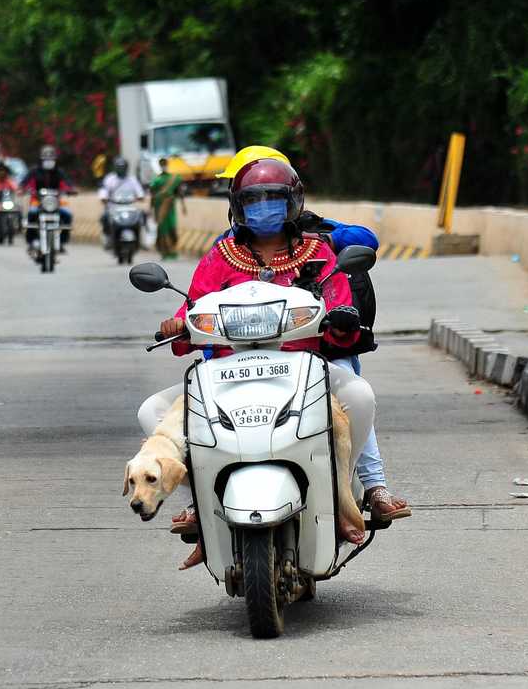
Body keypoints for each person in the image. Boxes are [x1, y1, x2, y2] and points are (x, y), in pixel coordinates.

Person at [138, 158, 408, 571]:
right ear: (237, 207)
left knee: (358, 392)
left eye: (273, 200)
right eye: (252, 201)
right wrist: (179, 324)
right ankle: (202, 499)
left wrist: (342, 318)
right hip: (226, 372)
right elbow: (194, 304)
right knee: (152, 411)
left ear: (293, 203)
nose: (263, 209)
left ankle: (342, 489)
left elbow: (339, 304)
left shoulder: (318, 252)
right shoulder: (221, 256)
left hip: (299, 367)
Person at [21, 145, 75, 253]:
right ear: (41, 159)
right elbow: (24, 183)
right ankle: (32, 241)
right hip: (37, 200)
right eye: (46, 159)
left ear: (55, 160)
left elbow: (67, 183)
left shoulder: (59, 171)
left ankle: (62, 241)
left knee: (68, 215)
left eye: (51, 159)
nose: (49, 161)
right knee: (31, 215)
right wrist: (22, 189)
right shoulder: (34, 171)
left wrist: (70, 189)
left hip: (56, 201)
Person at [149, 157, 186, 260]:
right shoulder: (156, 180)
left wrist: (183, 206)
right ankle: (164, 252)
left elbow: (180, 193)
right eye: (162, 164)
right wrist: (151, 208)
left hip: (170, 207)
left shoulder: (174, 178)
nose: (164, 166)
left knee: (172, 227)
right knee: (162, 229)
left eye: (165, 164)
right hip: (159, 207)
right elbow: (152, 194)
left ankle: (173, 251)